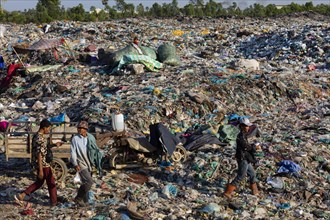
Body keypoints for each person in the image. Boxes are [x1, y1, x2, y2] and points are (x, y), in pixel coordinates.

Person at [15, 119, 62, 206]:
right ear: (44, 128)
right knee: (51, 183)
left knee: (39, 182)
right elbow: (40, 154)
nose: (49, 130)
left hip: (41, 164)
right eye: (48, 128)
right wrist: (40, 169)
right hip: (43, 165)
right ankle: (54, 202)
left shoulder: (37, 136)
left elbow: (45, 148)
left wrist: (55, 145)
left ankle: (23, 194)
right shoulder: (40, 138)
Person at [224, 118, 261, 199]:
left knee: (252, 174)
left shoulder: (244, 135)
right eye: (246, 126)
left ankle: (255, 191)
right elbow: (246, 147)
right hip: (242, 158)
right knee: (241, 176)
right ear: (242, 126)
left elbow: (247, 146)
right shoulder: (240, 136)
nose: (248, 128)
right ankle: (228, 192)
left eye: (248, 126)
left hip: (246, 158)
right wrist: (255, 146)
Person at [70, 121, 103, 206]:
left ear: (85, 130)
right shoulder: (75, 139)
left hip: (90, 163)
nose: (79, 130)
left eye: (81, 128)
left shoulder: (90, 137)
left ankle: (84, 201)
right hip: (81, 163)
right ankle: (78, 198)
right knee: (89, 182)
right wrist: (75, 163)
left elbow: (95, 148)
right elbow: (73, 152)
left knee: (85, 182)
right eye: (79, 128)